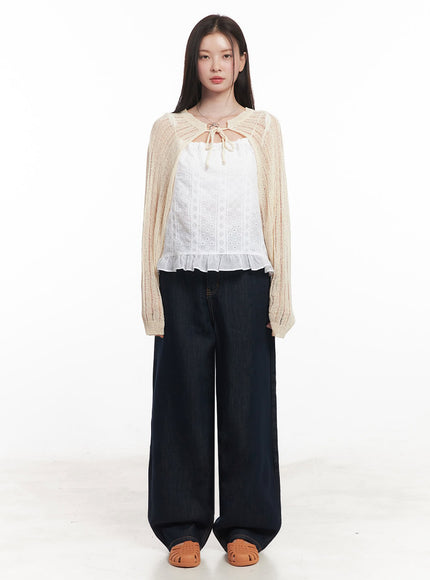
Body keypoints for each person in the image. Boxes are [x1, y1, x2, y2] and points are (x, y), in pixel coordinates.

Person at [141, 13, 295, 568]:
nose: (216, 66)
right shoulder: (168, 131)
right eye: (205, 56)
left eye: (226, 55)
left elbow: (276, 212)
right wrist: (150, 297)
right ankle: (181, 526)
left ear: (242, 62)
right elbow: (153, 217)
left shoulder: (264, 129)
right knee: (179, 403)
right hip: (180, 281)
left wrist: (281, 293)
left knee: (247, 404)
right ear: (193, 62)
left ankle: (246, 526)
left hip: (248, 282)